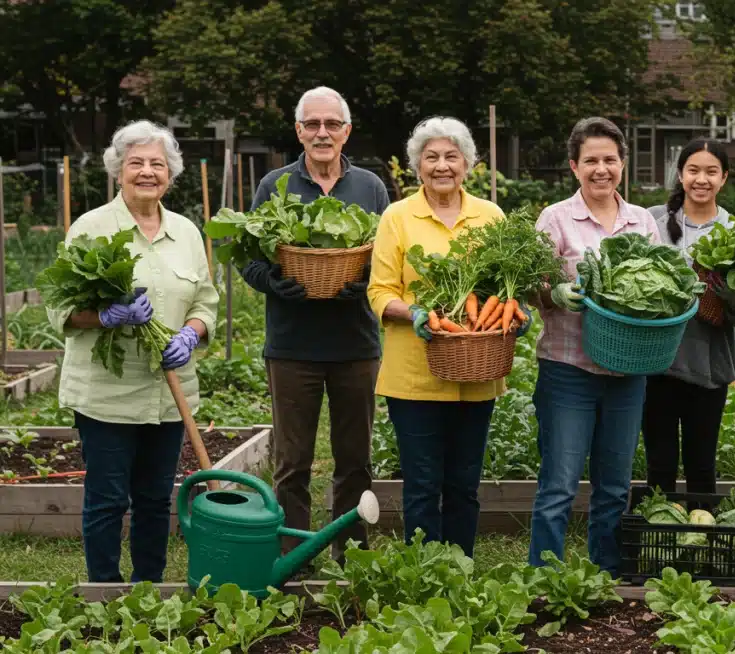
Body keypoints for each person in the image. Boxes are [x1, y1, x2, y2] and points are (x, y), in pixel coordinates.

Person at [48, 120, 218, 582]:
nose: (147, 172)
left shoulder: (185, 232)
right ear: (118, 172)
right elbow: (59, 306)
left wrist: (190, 334)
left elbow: (205, 300)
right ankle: (104, 591)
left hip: (169, 394)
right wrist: (106, 317)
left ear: (170, 174)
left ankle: (149, 589)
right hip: (107, 395)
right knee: (107, 499)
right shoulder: (91, 228)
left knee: (155, 498)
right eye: (136, 163)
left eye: (157, 164)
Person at [240, 86, 390, 563]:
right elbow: (248, 257)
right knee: (292, 463)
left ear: (347, 131)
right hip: (292, 346)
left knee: (354, 461)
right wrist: (272, 281)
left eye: (331, 124)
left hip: (355, 345)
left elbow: (386, 257)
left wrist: (364, 279)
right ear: (299, 131)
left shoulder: (371, 186)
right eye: (312, 124)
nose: (321, 133)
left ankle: (352, 553)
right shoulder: (274, 185)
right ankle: (292, 557)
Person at [367, 117, 523, 557]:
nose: (441, 166)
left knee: (464, 483)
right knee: (421, 484)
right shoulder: (397, 217)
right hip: (413, 376)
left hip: (476, 371)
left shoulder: (490, 216)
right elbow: (379, 291)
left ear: (467, 163)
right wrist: (414, 312)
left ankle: (460, 569)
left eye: (451, 156)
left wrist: (514, 311)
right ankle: (424, 573)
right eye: (431, 157)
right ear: (418, 166)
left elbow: (502, 283)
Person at [529, 117, 661, 576]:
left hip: (628, 372)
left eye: (609, 159)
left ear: (622, 164)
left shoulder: (642, 221)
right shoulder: (555, 218)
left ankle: (606, 575)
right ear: (573, 166)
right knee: (560, 484)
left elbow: (663, 286)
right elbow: (534, 285)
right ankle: (545, 577)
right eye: (591, 161)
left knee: (614, 484)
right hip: (568, 370)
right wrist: (555, 294)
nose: (601, 169)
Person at [642, 139, 735, 494]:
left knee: (701, 462)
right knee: (659, 462)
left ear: (724, 178)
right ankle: (660, 534)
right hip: (656, 363)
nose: (701, 179)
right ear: (680, 174)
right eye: (693, 170)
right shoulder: (652, 222)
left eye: (711, 171)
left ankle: (701, 538)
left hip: (710, 366)